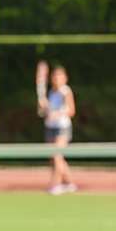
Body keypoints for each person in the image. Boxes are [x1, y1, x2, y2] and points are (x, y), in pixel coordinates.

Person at [36, 61, 77, 195]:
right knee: (54, 158)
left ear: (65, 78)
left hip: (62, 128)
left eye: (60, 76)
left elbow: (71, 111)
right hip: (50, 128)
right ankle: (70, 183)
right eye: (55, 76)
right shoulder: (51, 92)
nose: (57, 79)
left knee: (57, 155)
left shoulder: (66, 92)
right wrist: (43, 109)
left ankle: (56, 184)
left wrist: (57, 113)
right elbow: (46, 110)